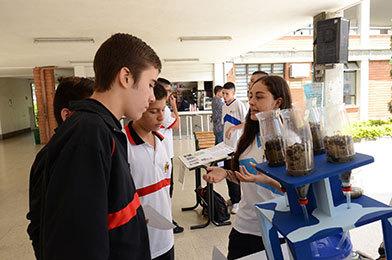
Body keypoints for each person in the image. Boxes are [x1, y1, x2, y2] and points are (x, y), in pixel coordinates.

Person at [38, 33, 161, 260]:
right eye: (151, 84)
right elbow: (78, 243)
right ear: (126, 77)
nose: (152, 97)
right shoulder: (88, 134)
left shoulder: (106, 130)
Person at [203, 75, 292, 259]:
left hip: (280, 229)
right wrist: (226, 173)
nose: (251, 102)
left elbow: (301, 192)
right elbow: (245, 177)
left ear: (278, 102)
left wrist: (267, 180)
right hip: (245, 226)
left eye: (259, 97)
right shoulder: (248, 137)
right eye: (250, 96)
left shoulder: (292, 140)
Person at [27, 77, 94, 259]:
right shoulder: (49, 159)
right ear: (67, 115)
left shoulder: (88, 151)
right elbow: (38, 222)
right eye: (92, 113)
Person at [125, 83, 174, 260]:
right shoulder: (123, 145)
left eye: (163, 109)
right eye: (154, 111)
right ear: (139, 108)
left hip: (166, 238)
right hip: (140, 243)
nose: (161, 117)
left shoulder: (160, 142)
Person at [157, 77, 184, 233]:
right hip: (165, 155)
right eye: (166, 91)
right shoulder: (165, 110)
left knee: (166, 188)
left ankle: (166, 218)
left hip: (165, 153)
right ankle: (167, 220)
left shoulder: (162, 108)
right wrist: (174, 107)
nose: (168, 95)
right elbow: (177, 124)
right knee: (167, 188)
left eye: (169, 91)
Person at [221, 82, 247, 214]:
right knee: (227, 173)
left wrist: (234, 128)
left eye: (227, 93)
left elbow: (245, 123)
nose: (224, 96)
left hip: (236, 147)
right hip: (226, 147)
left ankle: (238, 201)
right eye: (223, 93)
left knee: (235, 173)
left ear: (233, 93)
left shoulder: (239, 104)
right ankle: (233, 198)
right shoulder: (224, 106)